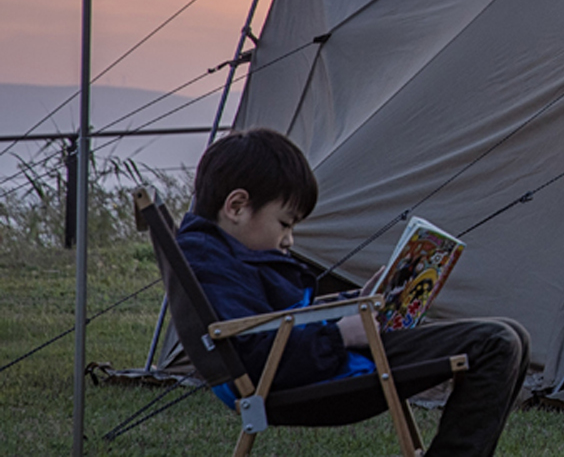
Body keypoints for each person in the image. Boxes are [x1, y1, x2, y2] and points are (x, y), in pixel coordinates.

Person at [178, 128, 529, 457]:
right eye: (285, 223)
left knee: (514, 337)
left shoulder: (222, 255)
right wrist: (340, 334)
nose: (289, 239)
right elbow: (255, 352)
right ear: (236, 207)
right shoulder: (210, 264)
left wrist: (355, 302)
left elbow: (274, 324)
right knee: (497, 343)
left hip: (324, 362)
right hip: (312, 376)